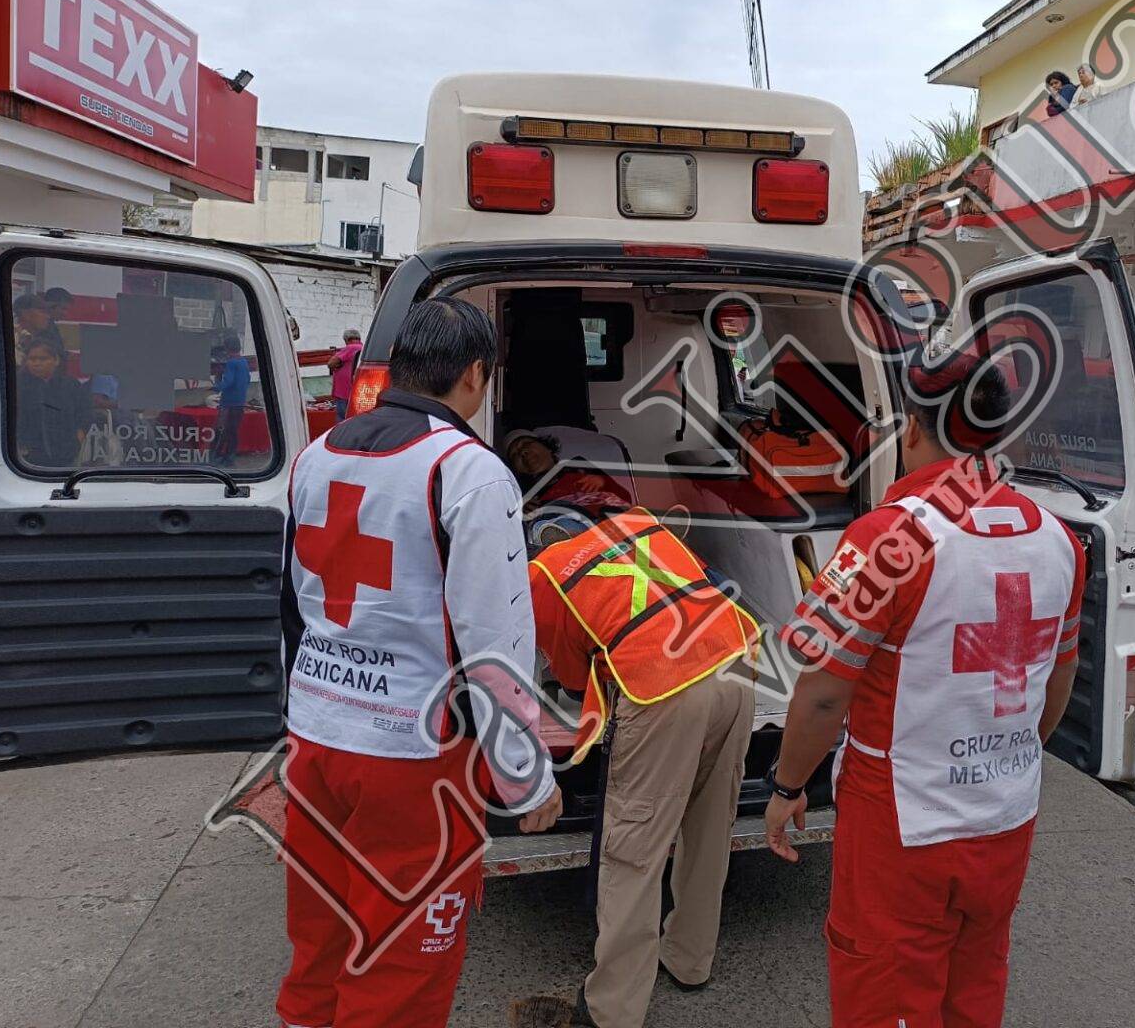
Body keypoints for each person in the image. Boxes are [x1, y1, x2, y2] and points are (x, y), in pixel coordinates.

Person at [764, 350, 1086, 1028]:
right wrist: (1005, 754)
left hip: (901, 819)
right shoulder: (1061, 540)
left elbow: (822, 694)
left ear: (912, 427)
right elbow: (1058, 679)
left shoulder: (887, 539)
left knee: (884, 991)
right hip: (1006, 814)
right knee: (975, 985)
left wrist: (788, 784)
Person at [276, 297, 562, 1028]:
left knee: (320, 938)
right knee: (401, 964)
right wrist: (526, 777)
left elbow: (292, 606)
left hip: (315, 739)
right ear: (475, 375)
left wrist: (298, 714)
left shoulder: (317, 454)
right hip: (413, 755)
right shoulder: (468, 471)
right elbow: (495, 642)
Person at [528, 509, 758, 1028]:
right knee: (710, 824)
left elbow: (570, 674)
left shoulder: (544, 576)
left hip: (663, 687)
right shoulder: (637, 522)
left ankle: (612, 1009)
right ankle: (690, 960)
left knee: (633, 847)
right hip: (735, 661)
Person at [505, 429, 631, 518]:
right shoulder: (524, 497)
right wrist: (523, 513)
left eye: (526, 444)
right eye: (514, 455)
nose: (522, 452)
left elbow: (624, 497)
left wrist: (603, 482)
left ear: (547, 447)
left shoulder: (578, 466)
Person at [14, 337, 90, 467]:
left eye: (43, 359)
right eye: (32, 359)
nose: (37, 363)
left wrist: (79, 434)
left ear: (56, 360)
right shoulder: (18, 386)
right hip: (27, 458)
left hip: (65, 454)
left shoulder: (70, 385)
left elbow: (85, 411)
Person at [211, 333, 252, 467]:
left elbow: (228, 382)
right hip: (239, 402)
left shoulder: (231, 363)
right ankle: (230, 456)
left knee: (222, 430)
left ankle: (215, 456)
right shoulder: (243, 362)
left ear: (227, 348)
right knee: (233, 431)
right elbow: (247, 379)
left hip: (228, 403)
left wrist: (216, 386)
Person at [328, 327, 365, 420]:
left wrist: (338, 364)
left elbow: (331, 363)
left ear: (346, 339)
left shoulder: (350, 348)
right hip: (357, 391)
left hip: (344, 392)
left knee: (342, 420)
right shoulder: (364, 348)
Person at [12, 292, 60, 363]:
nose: (48, 317)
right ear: (26, 314)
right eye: (42, 312)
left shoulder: (45, 338)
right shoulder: (13, 340)